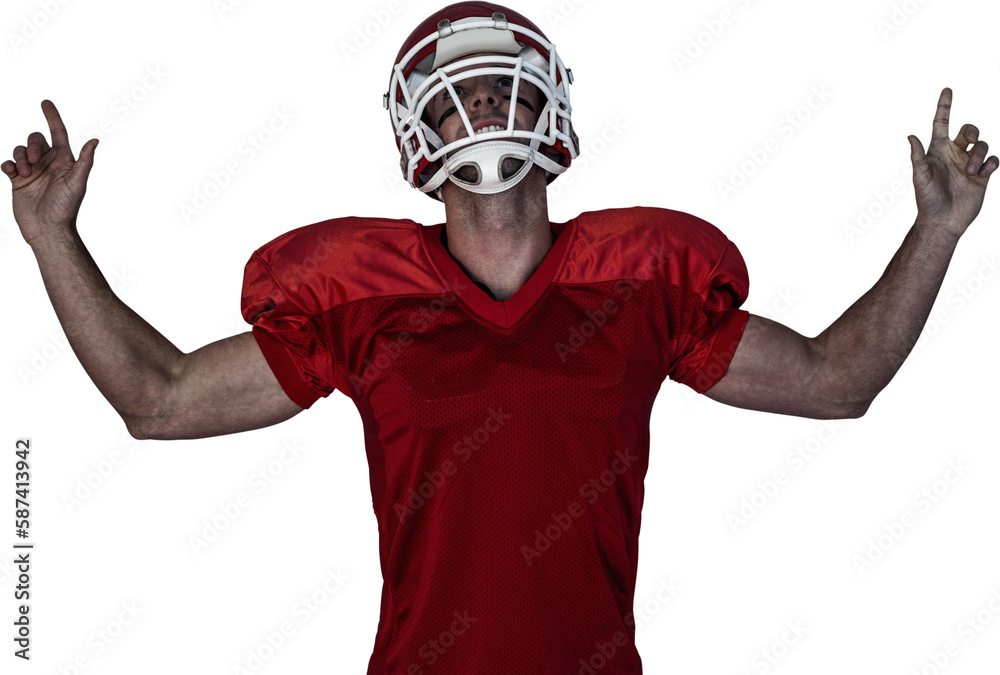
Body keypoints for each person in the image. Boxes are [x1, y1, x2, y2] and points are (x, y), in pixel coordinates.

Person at [4, 2, 996, 673]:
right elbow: (160, 400)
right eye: (454, 92)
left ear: (549, 106)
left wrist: (937, 232)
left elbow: (836, 381)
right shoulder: (360, 299)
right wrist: (54, 241)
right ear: (415, 127)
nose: (479, 103)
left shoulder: (639, 281)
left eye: (498, 85)